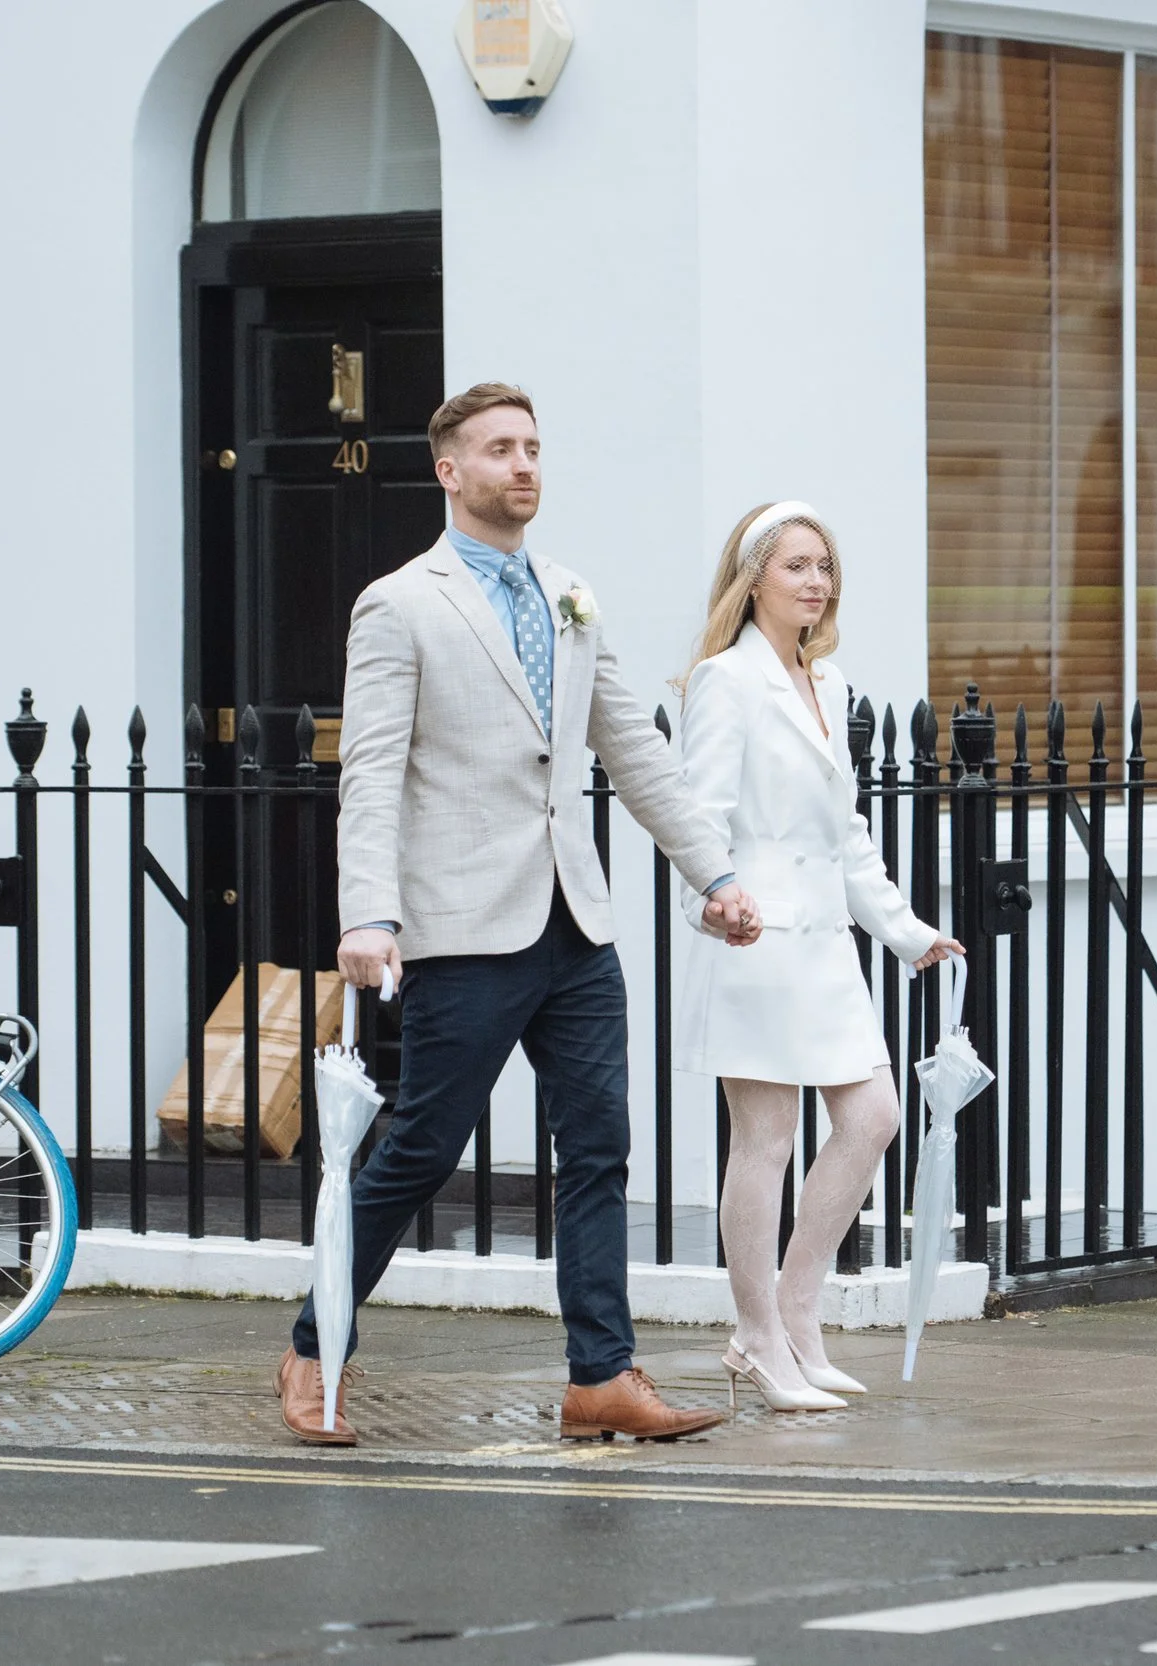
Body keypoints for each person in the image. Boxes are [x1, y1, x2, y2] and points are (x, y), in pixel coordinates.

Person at [277, 382, 765, 1446]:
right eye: (501, 449)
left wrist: (711, 874)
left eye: (535, 447)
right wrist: (370, 914)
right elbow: (369, 772)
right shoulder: (399, 603)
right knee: (420, 1151)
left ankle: (602, 1374)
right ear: (449, 470)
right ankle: (316, 1347)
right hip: (461, 927)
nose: (525, 466)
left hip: (573, 927)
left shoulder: (570, 593)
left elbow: (631, 745)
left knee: (599, 1146)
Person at [672, 501, 961, 1412]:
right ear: (753, 576)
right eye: (797, 564)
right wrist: (712, 899)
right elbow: (697, 816)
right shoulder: (724, 681)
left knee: (873, 1116)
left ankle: (798, 1312)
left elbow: (848, 838)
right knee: (767, 1139)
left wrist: (909, 931)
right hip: (753, 937)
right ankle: (757, 1338)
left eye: (824, 566)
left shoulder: (827, 685)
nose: (816, 581)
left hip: (825, 946)